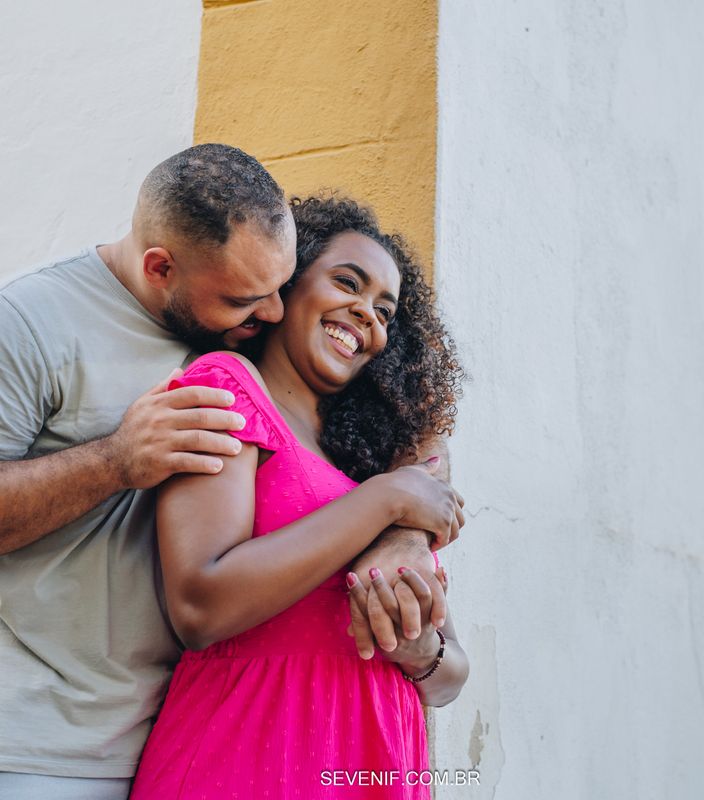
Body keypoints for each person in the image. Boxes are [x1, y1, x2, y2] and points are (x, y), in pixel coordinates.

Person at [0, 145, 460, 799]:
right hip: (45, 742)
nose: (268, 312)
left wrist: (409, 534)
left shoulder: (241, 334)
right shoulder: (43, 324)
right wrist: (117, 461)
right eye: (253, 297)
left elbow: (420, 440)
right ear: (163, 269)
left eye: (387, 309)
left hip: (172, 726)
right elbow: (203, 600)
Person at [129, 195, 469, 798]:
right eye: (347, 283)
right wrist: (385, 502)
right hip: (252, 751)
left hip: (374, 760)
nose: (366, 313)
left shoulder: (371, 457)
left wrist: (419, 650)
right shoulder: (228, 389)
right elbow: (200, 607)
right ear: (285, 287)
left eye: (385, 310)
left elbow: (451, 678)